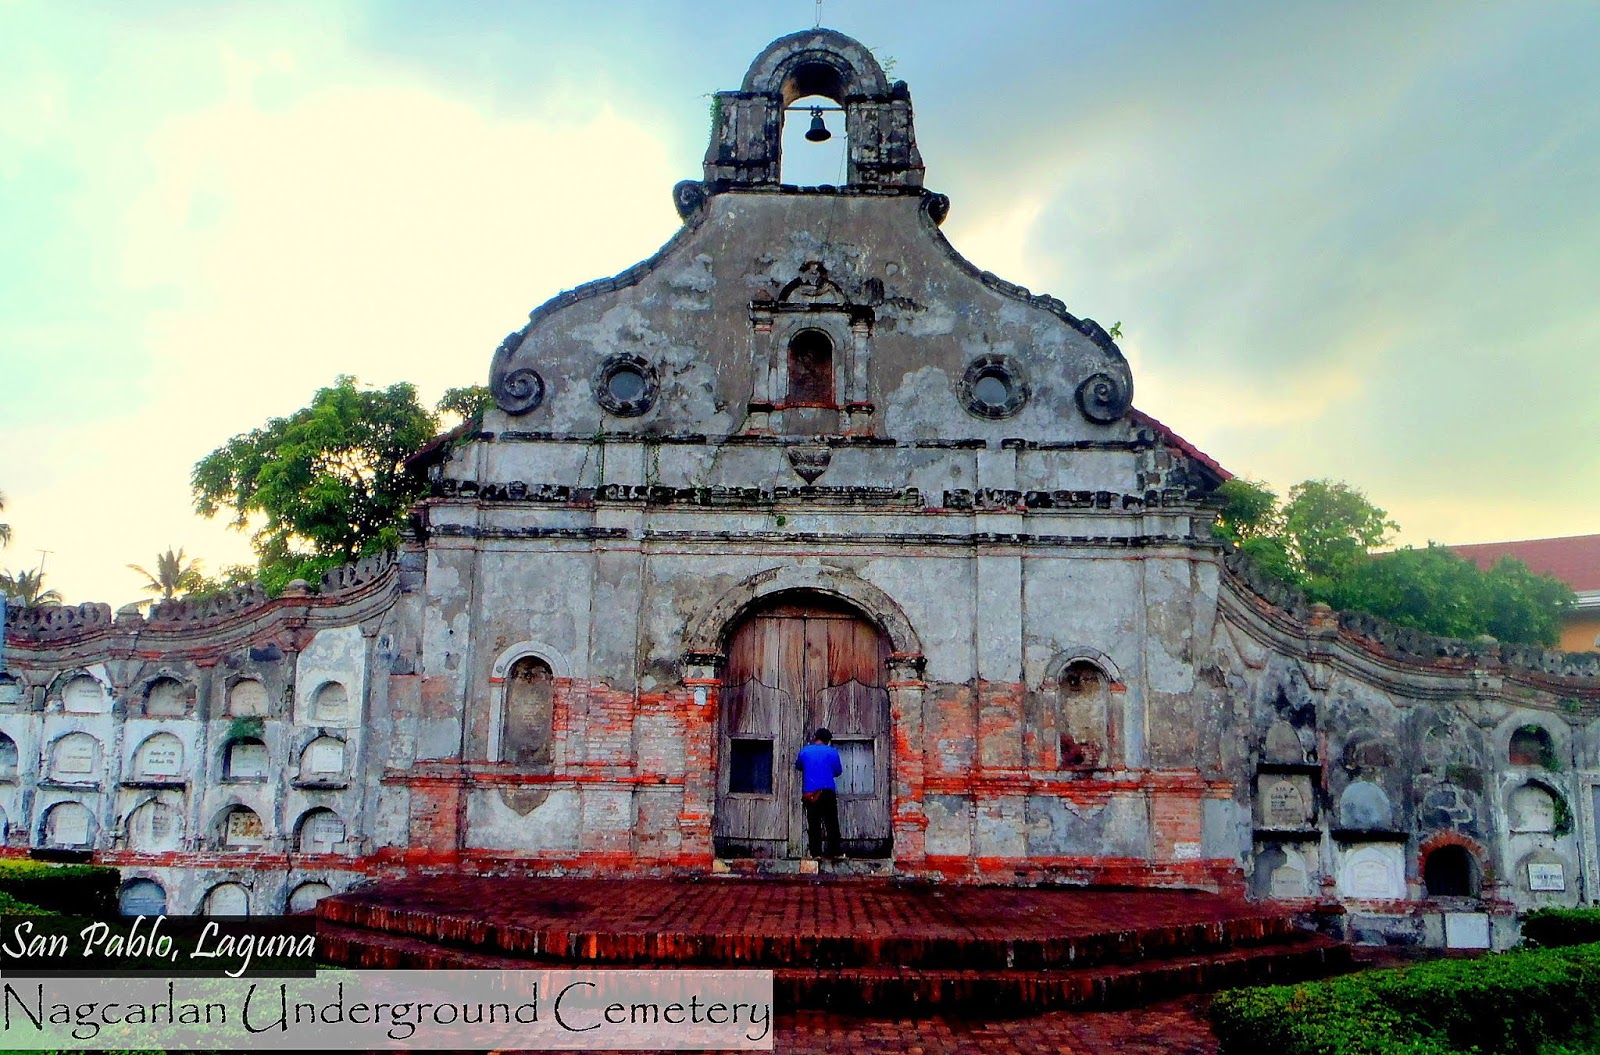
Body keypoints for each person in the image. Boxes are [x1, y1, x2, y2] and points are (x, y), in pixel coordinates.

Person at [795, 727, 843, 859]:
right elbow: (838, 771)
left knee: (814, 823)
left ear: (815, 738)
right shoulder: (832, 752)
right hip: (827, 791)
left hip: (810, 793)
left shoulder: (805, 751)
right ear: (828, 741)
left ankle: (816, 854)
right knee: (831, 822)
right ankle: (835, 852)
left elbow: (798, 765)